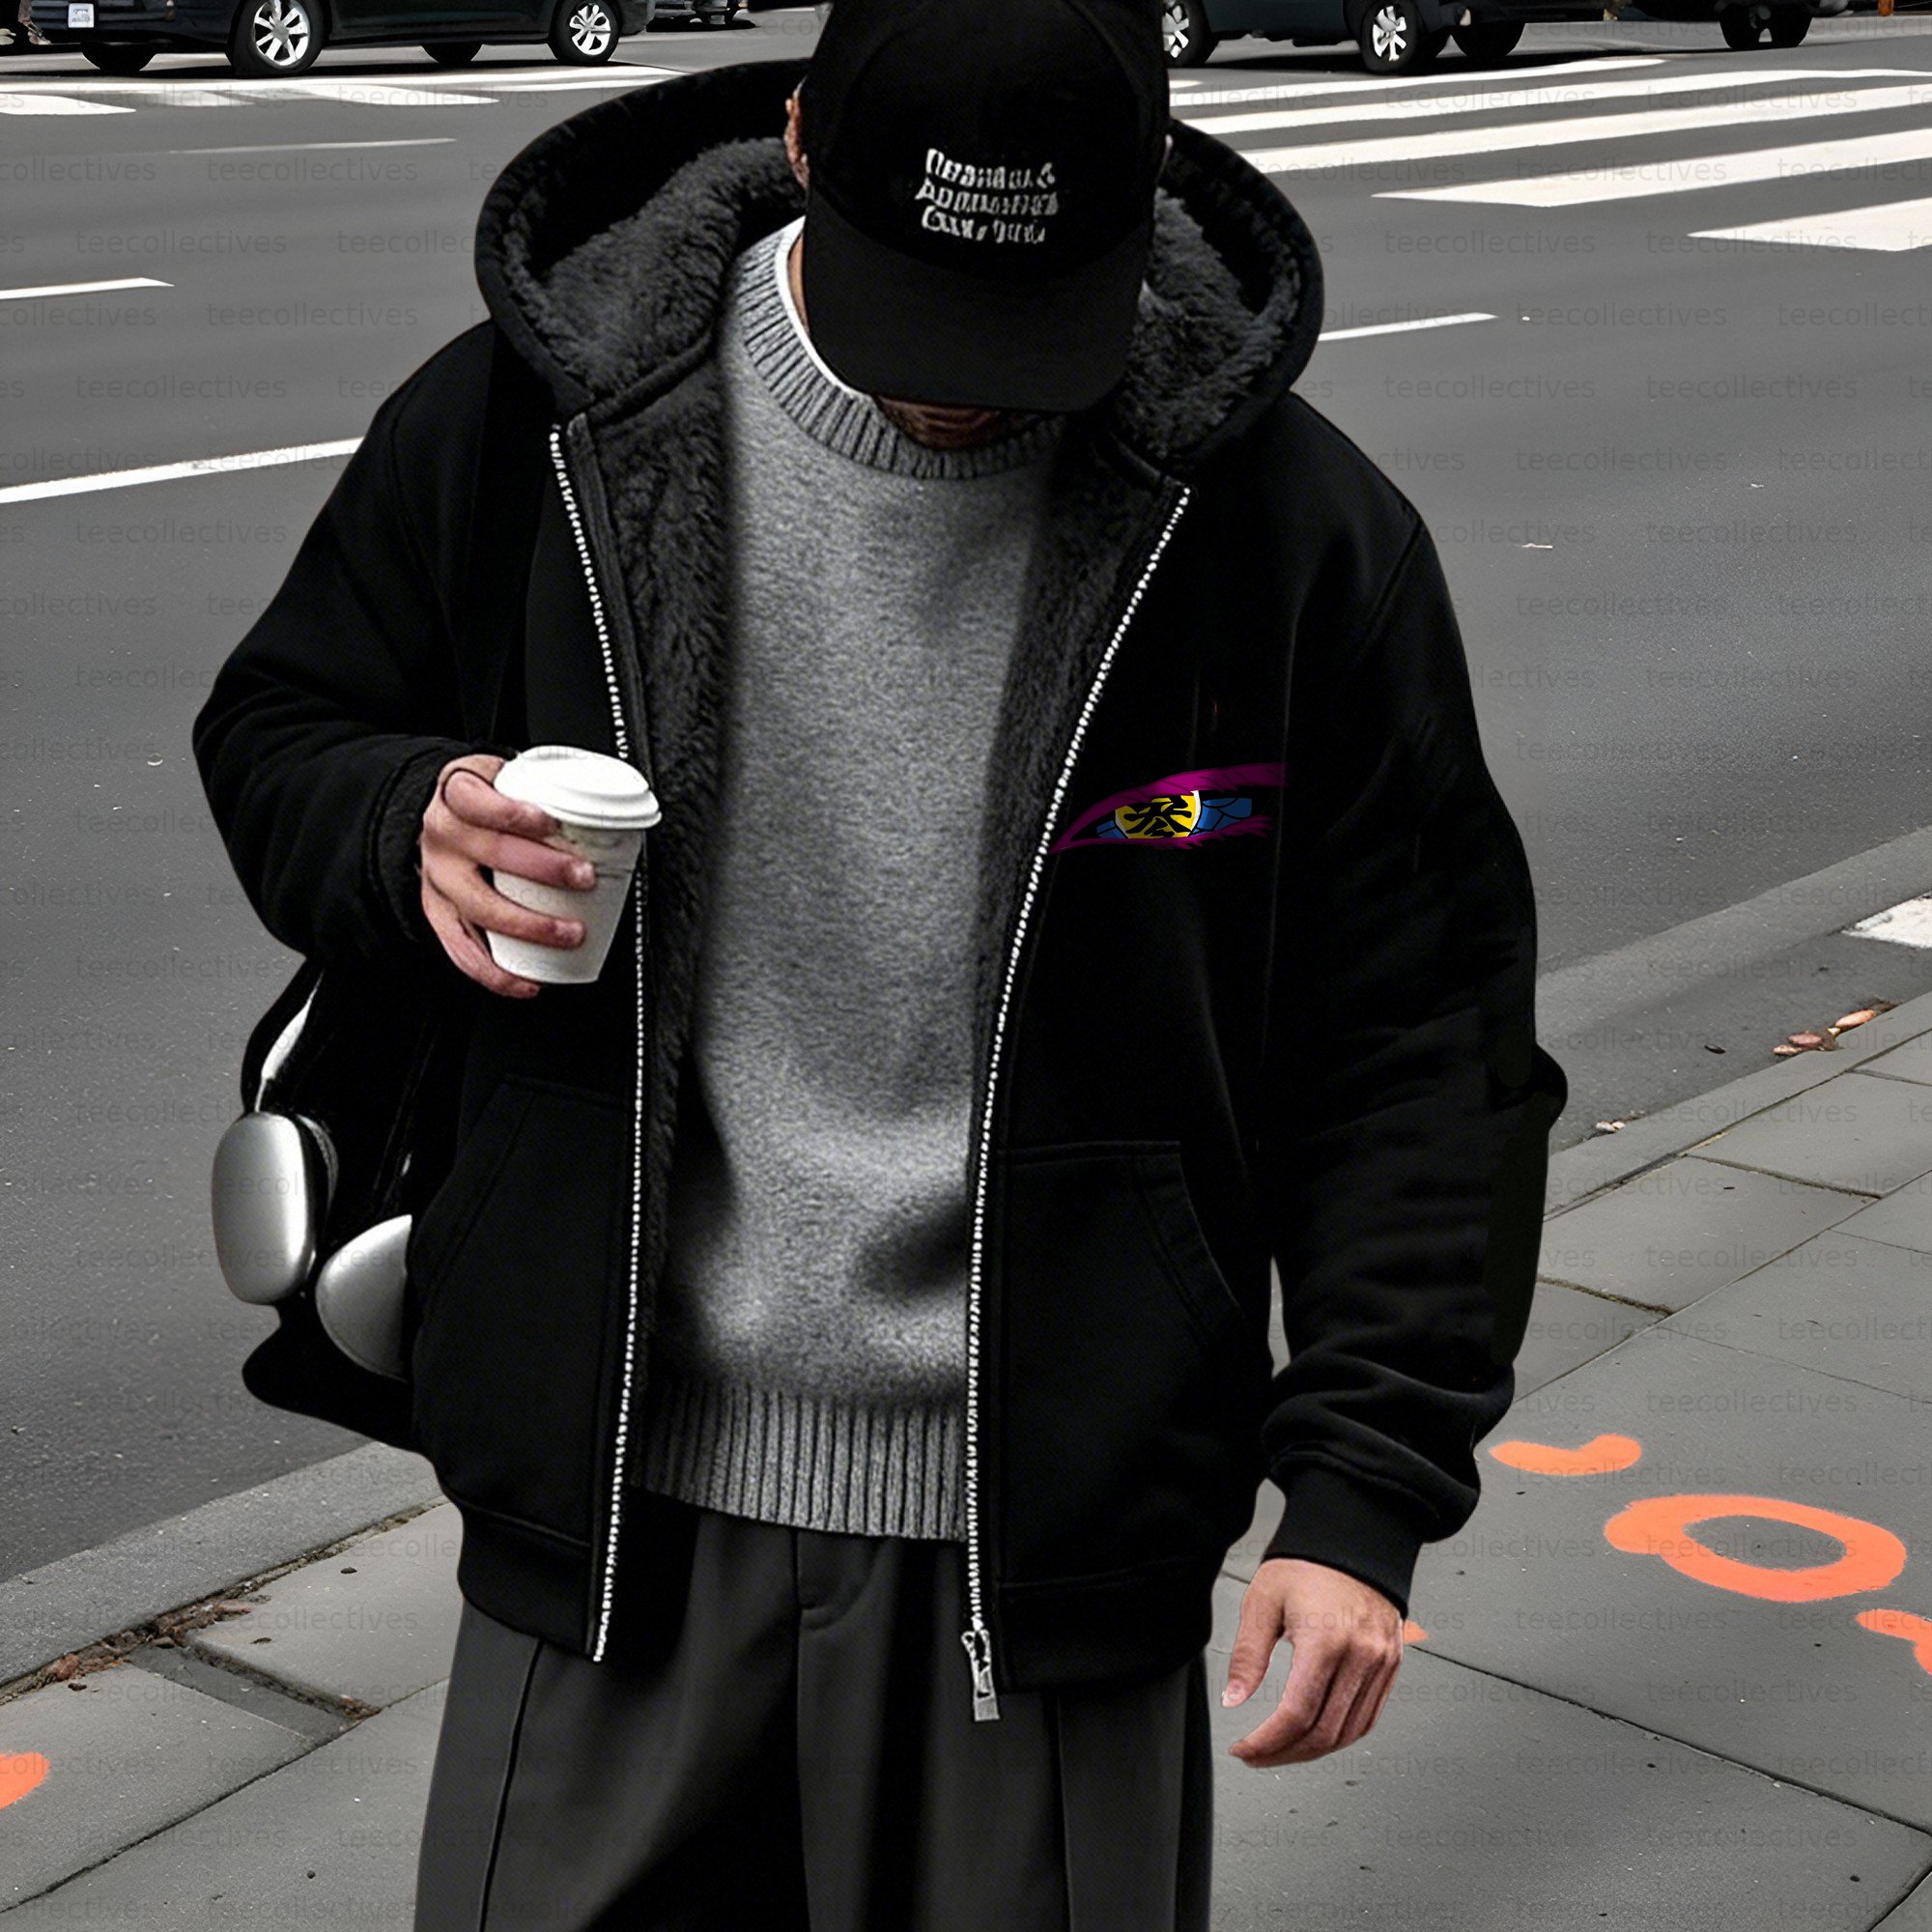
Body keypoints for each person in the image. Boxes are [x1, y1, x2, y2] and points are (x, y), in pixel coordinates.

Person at [191, 0, 1569, 1925]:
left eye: (1029, 327)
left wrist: (1363, 1493)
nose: (969, 397)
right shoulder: (540, 430)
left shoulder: (1283, 528)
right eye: (919, 311)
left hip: (1052, 1541)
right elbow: (279, 729)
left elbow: (1420, 1041)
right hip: (611, 1513)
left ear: (1141, 214)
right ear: (800, 147)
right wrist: (401, 818)